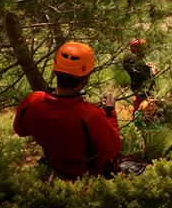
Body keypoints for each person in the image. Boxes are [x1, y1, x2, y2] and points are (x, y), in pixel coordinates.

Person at [14, 41, 123, 180]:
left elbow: (20, 130)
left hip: (56, 165)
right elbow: (113, 149)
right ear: (86, 78)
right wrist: (109, 111)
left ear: (55, 70)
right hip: (88, 175)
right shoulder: (91, 115)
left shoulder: (32, 102)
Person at [122, 38, 157, 114]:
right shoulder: (138, 64)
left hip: (136, 90)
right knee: (144, 111)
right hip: (143, 92)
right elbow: (147, 84)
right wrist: (153, 73)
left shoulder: (129, 59)